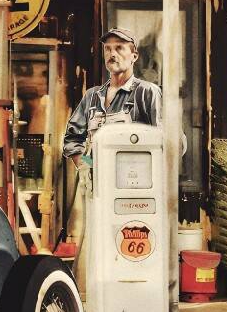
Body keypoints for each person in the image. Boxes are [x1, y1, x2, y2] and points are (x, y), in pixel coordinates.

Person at [60, 28, 160, 262]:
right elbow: (72, 140)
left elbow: (168, 142)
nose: (112, 54)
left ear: (134, 56)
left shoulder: (147, 93)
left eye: (119, 48)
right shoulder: (92, 97)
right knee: (99, 254)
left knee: (131, 252)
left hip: (136, 196)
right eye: (108, 49)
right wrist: (87, 166)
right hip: (98, 193)